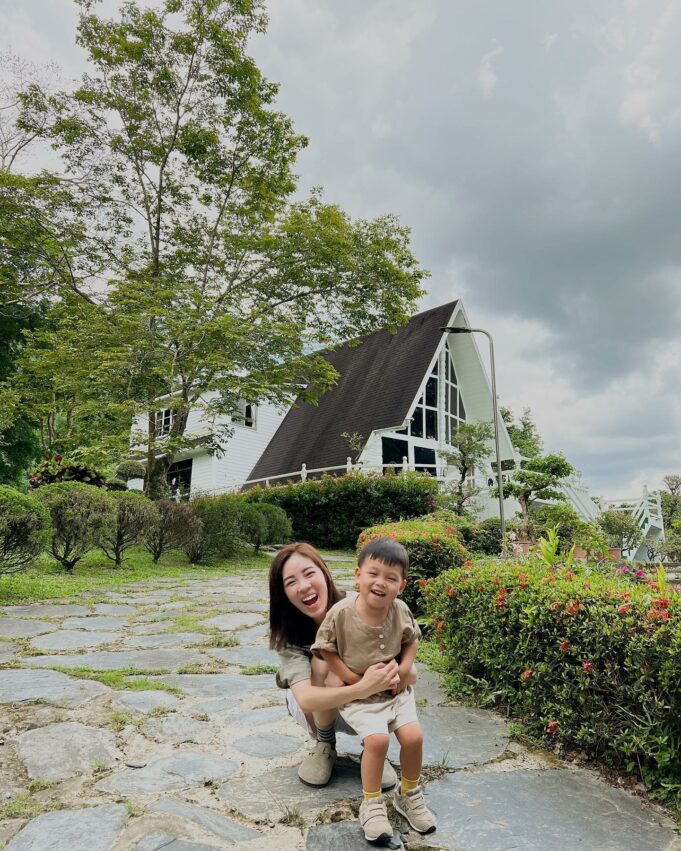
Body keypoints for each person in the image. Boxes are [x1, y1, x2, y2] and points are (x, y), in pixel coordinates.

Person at [311, 537, 437, 842]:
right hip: (361, 698)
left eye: (391, 578)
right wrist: (353, 681)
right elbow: (326, 650)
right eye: (373, 573)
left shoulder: (400, 609)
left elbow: (412, 639)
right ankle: (372, 803)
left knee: (414, 737)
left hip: (395, 693)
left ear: (401, 585)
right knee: (378, 741)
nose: (381, 583)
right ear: (358, 576)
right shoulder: (341, 613)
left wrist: (405, 668)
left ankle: (408, 793)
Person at [269, 542, 406, 789]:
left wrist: (397, 675)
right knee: (322, 662)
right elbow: (307, 700)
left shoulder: (360, 606)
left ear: (325, 573)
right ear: (283, 593)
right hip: (321, 709)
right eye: (291, 582)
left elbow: (406, 659)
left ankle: (374, 746)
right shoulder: (289, 635)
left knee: (393, 668)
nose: (304, 586)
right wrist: (362, 687)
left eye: (309, 573)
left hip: (374, 705)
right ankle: (325, 744)